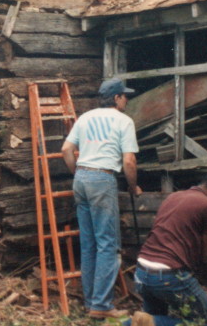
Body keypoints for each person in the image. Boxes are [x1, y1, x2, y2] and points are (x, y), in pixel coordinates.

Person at [61, 77, 142, 320]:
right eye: (124, 96)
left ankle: (91, 302)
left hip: (82, 179)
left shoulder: (85, 117)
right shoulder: (123, 121)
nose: (127, 99)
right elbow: (129, 161)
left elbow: (66, 149)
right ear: (116, 98)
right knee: (108, 244)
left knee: (89, 244)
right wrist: (133, 186)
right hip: (102, 179)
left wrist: (79, 173)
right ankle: (102, 305)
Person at [127, 172, 207, 326]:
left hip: (142, 270)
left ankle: (133, 323)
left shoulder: (174, 197)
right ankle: (146, 322)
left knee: (152, 321)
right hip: (168, 275)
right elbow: (206, 253)